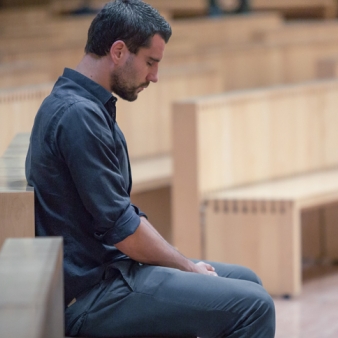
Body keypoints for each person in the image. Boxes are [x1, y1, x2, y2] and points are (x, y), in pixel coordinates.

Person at [25, 0, 275, 337]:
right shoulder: (77, 116)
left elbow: (119, 216)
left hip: (110, 274)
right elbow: (123, 230)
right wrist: (188, 267)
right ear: (118, 51)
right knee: (255, 305)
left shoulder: (82, 105)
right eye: (150, 63)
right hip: (92, 296)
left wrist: (186, 268)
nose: (154, 76)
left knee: (245, 281)